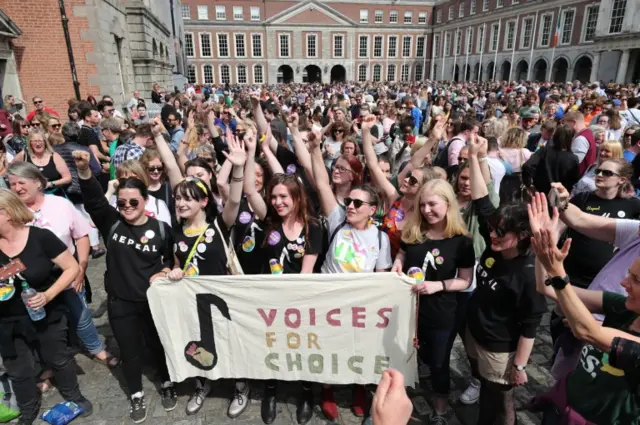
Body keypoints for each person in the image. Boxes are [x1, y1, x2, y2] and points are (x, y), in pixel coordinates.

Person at [73, 149, 176, 424]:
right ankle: (136, 393)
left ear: (145, 201)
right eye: (122, 203)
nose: (128, 207)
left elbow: (169, 258)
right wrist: (85, 172)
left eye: (133, 202)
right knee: (129, 352)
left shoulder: (162, 229)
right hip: (121, 303)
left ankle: (166, 383)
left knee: (157, 346)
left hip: (153, 302)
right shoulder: (113, 224)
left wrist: (166, 269)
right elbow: (95, 202)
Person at [528, 194, 640, 425]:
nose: (623, 283)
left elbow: (588, 331)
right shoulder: (625, 308)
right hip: (562, 411)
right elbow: (547, 289)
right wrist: (546, 243)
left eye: (636, 280)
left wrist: (557, 272)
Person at [309, 128, 392, 420]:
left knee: (359, 348)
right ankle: (328, 390)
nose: (351, 207)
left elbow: (382, 278)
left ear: (372, 209)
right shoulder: (337, 221)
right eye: (349, 202)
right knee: (330, 345)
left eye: (358, 204)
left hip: (361, 305)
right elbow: (321, 184)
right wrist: (314, 147)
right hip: (329, 299)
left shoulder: (380, 239)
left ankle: (359, 390)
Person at [165, 134, 248, 417]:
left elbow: (234, 201)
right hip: (194, 301)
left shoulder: (219, 225)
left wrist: (238, 168)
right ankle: (203, 383)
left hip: (223, 299)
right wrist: (174, 270)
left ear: (203, 202)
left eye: (188, 198)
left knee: (229, 341)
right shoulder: (176, 232)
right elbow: (177, 262)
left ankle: (240, 385)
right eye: (177, 198)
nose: (180, 203)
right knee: (198, 341)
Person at [466, 136, 546, 425]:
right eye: (493, 230)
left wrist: (521, 366)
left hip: (501, 347)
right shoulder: (497, 237)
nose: (494, 236)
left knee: (501, 400)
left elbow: (532, 323)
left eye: (502, 233)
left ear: (523, 236)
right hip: (476, 333)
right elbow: (480, 199)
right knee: (486, 390)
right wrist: (475, 157)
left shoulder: (527, 273)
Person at [6, 162, 118, 368]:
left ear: (37, 182)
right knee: (39, 322)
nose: (16, 188)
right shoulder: (10, 214)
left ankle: (96, 348)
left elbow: (81, 236)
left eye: (21, 182)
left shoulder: (59, 205)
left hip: (67, 271)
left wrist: (81, 267)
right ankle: (49, 364)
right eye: (11, 184)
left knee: (81, 314)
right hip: (31, 282)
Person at [0, 188, 92, 425]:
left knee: (59, 358)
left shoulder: (41, 237)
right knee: (18, 371)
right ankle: (28, 410)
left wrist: (48, 294)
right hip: (7, 321)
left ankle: (74, 396)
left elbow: (72, 268)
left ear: (8, 212)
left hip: (46, 313)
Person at [392, 179, 475, 425]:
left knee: (439, 362)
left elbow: (465, 280)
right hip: (410, 310)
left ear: (448, 204)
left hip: (443, 313)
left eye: (433, 204)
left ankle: (439, 408)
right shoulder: (414, 230)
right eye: (423, 204)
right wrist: (398, 261)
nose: (427, 210)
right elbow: (404, 252)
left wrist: (438, 285)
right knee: (412, 355)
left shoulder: (462, 241)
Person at [522, 125, 580, 196]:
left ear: (554, 136)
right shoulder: (573, 158)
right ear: (571, 139)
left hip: (540, 193)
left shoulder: (544, 151)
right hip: (559, 195)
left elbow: (527, 166)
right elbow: (574, 181)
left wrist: (529, 185)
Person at [14, 130, 72, 197]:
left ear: (45, 142)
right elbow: (11, 171)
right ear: (30, 143)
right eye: (35, 141)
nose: (38, 144)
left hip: (55, 195)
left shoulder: (54, 156)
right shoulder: (23, 156)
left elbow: (68, 178)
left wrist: (51, 184)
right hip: (31, 197)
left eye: (40, 141)